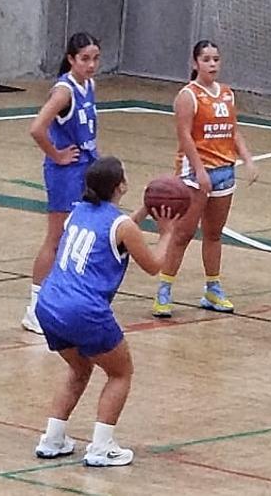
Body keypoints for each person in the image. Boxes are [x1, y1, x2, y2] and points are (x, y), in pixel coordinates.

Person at [32, 157, 178, 467]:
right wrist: (167, 233)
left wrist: (142, 212)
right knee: (120, 372)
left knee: (79, 369)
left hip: (49, 303)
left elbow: (116, 230)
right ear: (120, 186)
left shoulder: (77, 213)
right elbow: (153, 266)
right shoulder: (121, 225)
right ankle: (101, 447)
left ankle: (52, 439)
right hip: (83, 309)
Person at [152, 40, 257, 318]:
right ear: (195, 63)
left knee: (213, 234)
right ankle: (164, 289)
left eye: (216, 59)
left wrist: (247, 158)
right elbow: (184, 136)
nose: (212, 64)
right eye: (207, 59)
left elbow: (233, 131)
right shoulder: (188, 96)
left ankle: (212, 288)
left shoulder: (227, 94)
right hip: (195, 173)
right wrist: (199, 170)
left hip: (224, 171)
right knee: (183, 233)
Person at [22, 33, 102, 335]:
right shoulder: (63, 91)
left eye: (95, 58)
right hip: (65, 173)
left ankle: (66, 302)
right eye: (85, 59)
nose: (91, 64)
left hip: (86, 167)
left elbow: (87, 130)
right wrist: (56, 155)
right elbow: (36, 128)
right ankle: (34, 308)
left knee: (79, 237)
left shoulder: (89, 85)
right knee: (56, 239)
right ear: (71, 59)